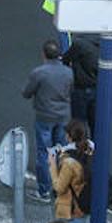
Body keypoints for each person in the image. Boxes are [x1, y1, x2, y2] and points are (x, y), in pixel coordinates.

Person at [23, 39, 74, 203]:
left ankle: (44, 190)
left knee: (44, 154)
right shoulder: (68, 72)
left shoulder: (39, 72)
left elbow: (27, 92)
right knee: (61, 152)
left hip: (45, 116)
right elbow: (71, 90)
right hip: (63, 116)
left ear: (43, 54)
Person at [50, 120, 92, 223]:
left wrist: (52, 163)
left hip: (71, 207)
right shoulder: (91, 149)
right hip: (86, 203)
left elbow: (59, 187)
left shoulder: (68, 160)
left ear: (69, 136)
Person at [62, 35, 99, 130]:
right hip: (96, 89)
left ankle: (81, 143)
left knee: (79, 123)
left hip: (80, 89)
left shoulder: (79, 44)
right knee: (95, 122)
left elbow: (65, 59)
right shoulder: (102, 45)